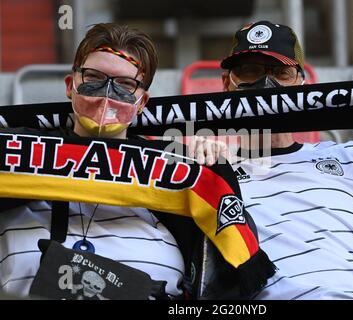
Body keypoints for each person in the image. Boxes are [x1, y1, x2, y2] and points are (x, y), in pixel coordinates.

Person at [0, 23, 257, 300]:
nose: (107, 93)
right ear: (70, 86)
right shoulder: (16, 154)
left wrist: (202, 157)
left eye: (125, 84)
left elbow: (227, 273)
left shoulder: (178, 168)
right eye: (94, 77)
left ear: (142, 101)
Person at [216, 20, 353, 299]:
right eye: (250, 71)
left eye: (281, 73)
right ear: (227, 84)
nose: (265, 84)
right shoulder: (211, 175)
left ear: (301, 83)